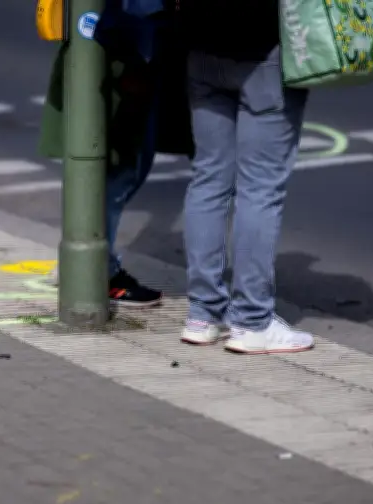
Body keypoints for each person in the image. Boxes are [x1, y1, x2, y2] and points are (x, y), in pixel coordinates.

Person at [178, 0, 315, 353]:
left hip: (202, 47)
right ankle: (252, 320)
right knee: (260, 190)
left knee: (208, 180)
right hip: (264, 50)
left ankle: (203, 314)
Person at [37, 3, 193, 308]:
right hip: (127, 41)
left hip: (117, 36)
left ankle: (85, 255)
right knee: (121, 166)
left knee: (120, 162)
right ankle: (95, 266)